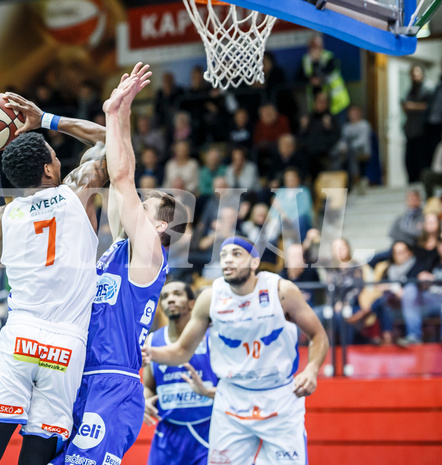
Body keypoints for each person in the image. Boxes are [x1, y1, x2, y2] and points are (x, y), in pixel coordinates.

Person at [0, 78, 110, 464]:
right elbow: (110, 137)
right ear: (49, 168)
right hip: (66, 347)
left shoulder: (0, 219)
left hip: (21, 339)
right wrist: (43, 118)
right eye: (55, 157)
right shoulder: (77, 193)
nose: (60, 160)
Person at [52, 63, 189, 465]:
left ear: (159, 224)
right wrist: (122, 111)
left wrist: (114, 115)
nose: (133, 207)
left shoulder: (150, 250)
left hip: (114, 383)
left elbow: (125, 179)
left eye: (144, 207)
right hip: (83, 374)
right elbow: (118, 176)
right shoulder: (121, 248)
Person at [144, 236, 329, 465]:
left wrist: (311, 369)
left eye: (236, 254)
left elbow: (318, 335)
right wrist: (148, 352)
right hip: (232, 398)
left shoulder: (281, 291)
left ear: (254, 263)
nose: (228, 261)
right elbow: (182, 351)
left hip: (279, 396)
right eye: (223, 256)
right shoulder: (210, 298)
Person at [143, 282, 217, 465]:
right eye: (165, 297)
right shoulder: (153, 340)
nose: (171, 299)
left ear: (193, 303)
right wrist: (144, 401)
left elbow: (230, 388)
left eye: (177, 294)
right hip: (168, 434)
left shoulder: (211, 337)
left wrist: (207, 392)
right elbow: (148, 387)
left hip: (208, 430)